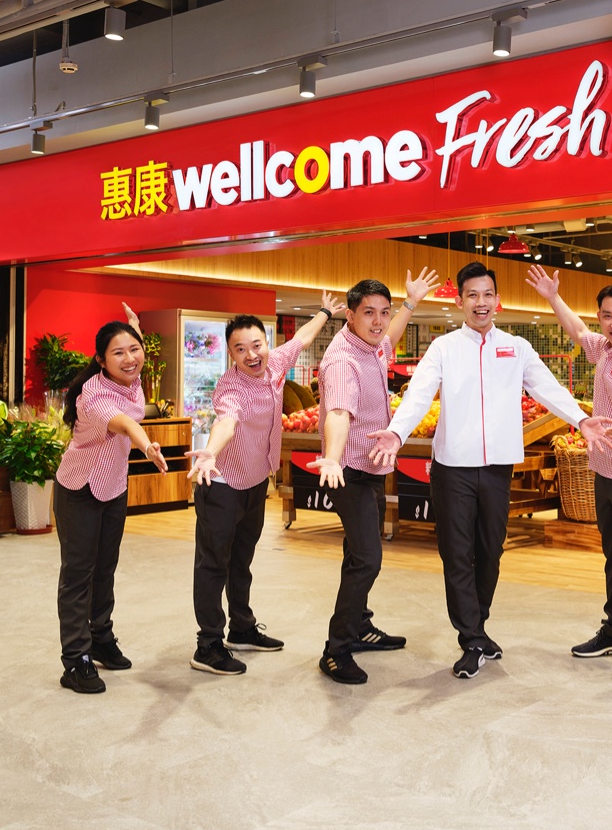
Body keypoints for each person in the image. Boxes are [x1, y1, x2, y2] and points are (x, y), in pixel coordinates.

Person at [370, 261, 610, 679]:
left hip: (497, 468)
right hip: (452, 469)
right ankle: (471, 638)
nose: (480, 303)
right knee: (457, 554)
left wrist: (580, 419)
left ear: (497, 301)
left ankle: (478, 625)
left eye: (487, 295)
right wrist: (395, 432)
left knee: (491, 552)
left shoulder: (516, 347)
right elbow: (419, 396)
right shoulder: (443, 348)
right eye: (472, 295)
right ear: (460, 300)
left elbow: (547, 386)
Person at [186, 294, 343, 676]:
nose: (251, 354)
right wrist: (209, 452)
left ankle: (241, 627)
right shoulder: (230, 389)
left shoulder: (275, 365)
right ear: (230, 354)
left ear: (266, 343)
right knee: (213, 566)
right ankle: (208, 644)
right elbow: (226, 421)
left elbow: (303, 339)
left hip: (256, 484)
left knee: (242, 561)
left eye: (256, 345)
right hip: (222, 485)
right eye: (240, 349)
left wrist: (323, 312)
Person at [526, 266, 612, 682]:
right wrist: (552, 297)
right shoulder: (605, 347)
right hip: (606, 469)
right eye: (608, 315)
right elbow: (576, 332)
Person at [312, 268, 438, 685]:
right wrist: (331, 457)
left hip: (369, 464)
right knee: (367, 558)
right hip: (346, 469)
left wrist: (409, 303)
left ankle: (360, 624)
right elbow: (338, 413)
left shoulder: (371, 345)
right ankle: (337, 649)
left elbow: (390, 339)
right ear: (350, 314)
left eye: (383, 312)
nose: (379, 321)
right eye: (369, 313)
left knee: (357, 553)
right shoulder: (343, 361)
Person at [52, 320, 168, 694]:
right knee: (78, 574)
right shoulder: (93, 395)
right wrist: (147, 445)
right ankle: (75, 660)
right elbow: (123, 423)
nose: (130, 358)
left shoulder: (131, 380)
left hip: (113, 487)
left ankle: (101, 637)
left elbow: (131, 383)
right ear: (101, 361)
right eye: (118, 353)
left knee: (105, 568)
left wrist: (134, 328)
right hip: (79, 490)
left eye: (135, 350)